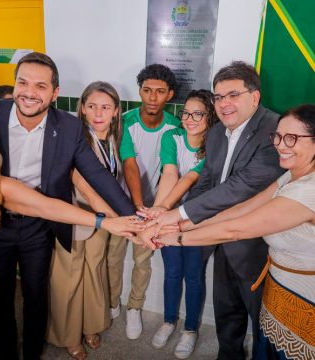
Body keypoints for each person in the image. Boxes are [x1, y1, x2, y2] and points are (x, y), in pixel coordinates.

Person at [0, 52, 137, 360]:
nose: (29, 92)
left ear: (55, 92)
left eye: (40, 86)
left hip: (39, 223)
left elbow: (97, 175)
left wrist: (132, 218)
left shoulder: (70, 127)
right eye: (23, 82)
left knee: (36, 293)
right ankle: (3, 351)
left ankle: (33, 352)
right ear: (14, 84)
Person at [139, 61, 285, 359]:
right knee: (227, 313)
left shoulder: (273, 130)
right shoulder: (217, 134)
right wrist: (171, 220)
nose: (224, 103)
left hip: (256, 247)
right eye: (218, 97)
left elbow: (240, 186)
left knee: (262, 325)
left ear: (254, 96)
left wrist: (177, 218)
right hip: (220, 243)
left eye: (233, 95)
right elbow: (205, 182)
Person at [156, 104, 315, 360]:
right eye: (278, 136)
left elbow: (235, 229)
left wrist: (173, 237)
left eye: (292, 138)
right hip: (279, 292)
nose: (280, 145)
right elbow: (242, 209)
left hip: (305, 300)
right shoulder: (289, 176)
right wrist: (180, 224)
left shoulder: (308, 189)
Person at [47, 81, 125, 359]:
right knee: (69, 277)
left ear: (116, 111)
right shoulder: (73, 134)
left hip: (104, 219)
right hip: (74, 215)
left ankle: (92, 324)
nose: (98, 112)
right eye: (91, 106)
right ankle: (69, 336)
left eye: (105, 107)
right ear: (82, 108)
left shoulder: (115, 138)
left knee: (95, 270)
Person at [143, 89, 217, 359]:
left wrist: (161, 212)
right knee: (172, 271)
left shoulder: (214, 147)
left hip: (198, 221)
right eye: (186, 112)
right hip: (170, 216)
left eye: (198, 113)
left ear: (210, 116)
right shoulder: (171, 136)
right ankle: (169, 320)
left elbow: (189, 181)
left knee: (194, 275)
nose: (189, 119)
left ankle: (190, 329)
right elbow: (171, 174)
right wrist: (160, 216)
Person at [118, 63, 180, 339]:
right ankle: (110, 303)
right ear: (140, 92)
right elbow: (129, 165)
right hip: (121, 203)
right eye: (147, 91)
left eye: (160, 92)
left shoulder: (176, 128)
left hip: (154, 209)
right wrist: (135, 207)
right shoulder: (126, 121)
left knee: (142, 261)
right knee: (111, 257)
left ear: (170, 95)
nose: (153, 97)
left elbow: (172, 171)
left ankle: (134, 307)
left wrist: (150, 214)